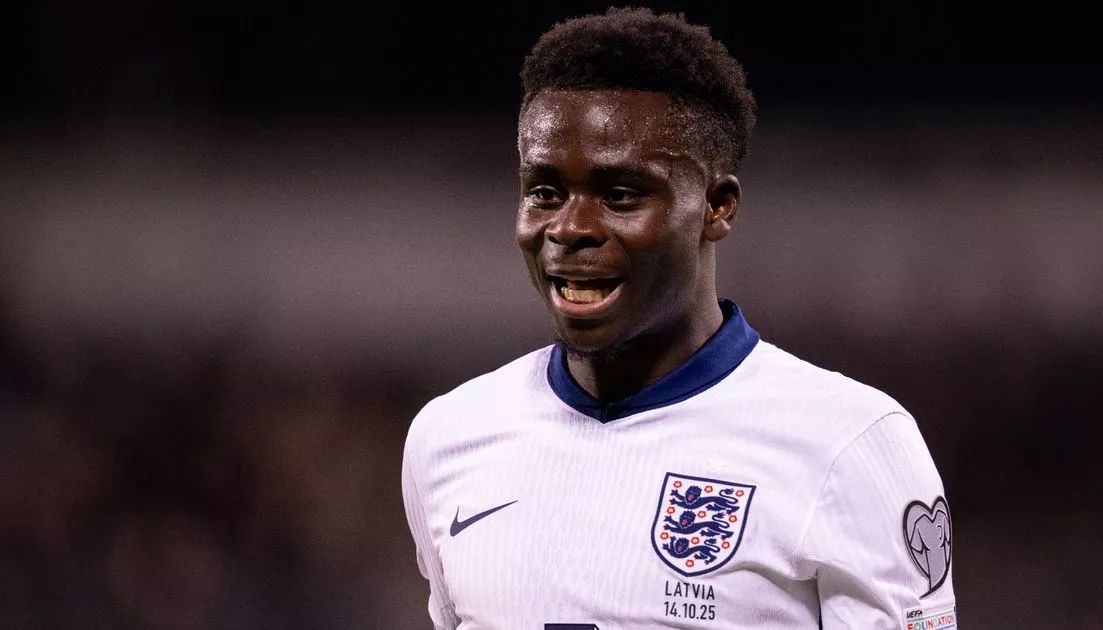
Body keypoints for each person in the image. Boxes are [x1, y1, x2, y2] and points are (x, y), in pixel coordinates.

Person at [402, 8, 955, 629]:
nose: (571, 227)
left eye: (621, 196)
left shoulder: (849, 443)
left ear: (717, 207)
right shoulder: (449, 437)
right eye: (545, 192)